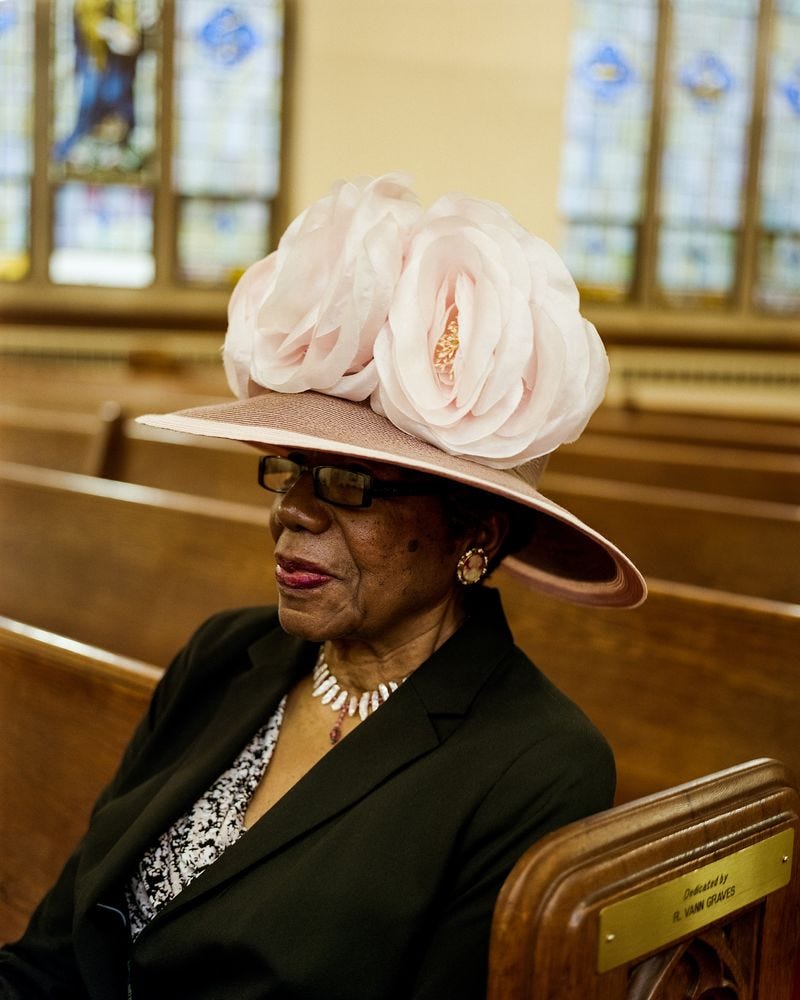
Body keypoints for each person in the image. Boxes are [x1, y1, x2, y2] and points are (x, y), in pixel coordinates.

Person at [0, 174, 646, 999]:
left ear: (473, 536)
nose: (291, 513)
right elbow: (56, 950)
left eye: (349, 484)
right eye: (289, 471)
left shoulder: (536, 763)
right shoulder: (227, 652)